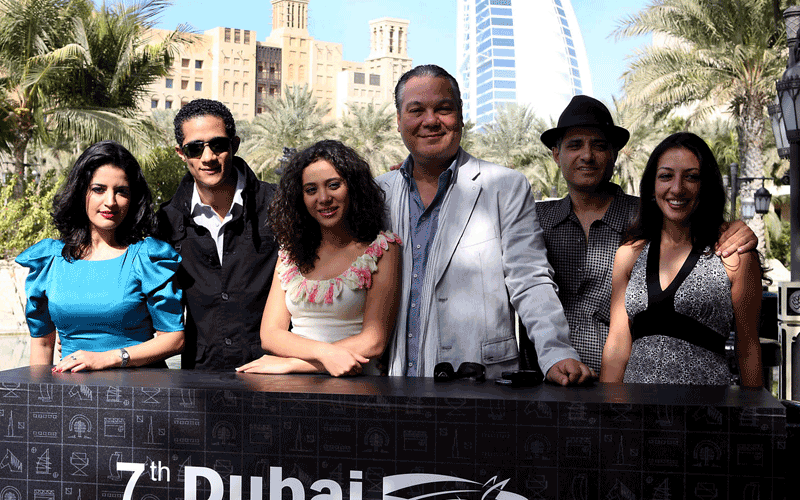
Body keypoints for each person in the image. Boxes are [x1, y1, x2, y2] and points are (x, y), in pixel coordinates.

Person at [377, 64, 593, 384]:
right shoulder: (376, 193)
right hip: (390, 382)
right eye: (416, 110)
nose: (430, 120)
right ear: (398, 121)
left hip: (478, 383)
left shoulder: (505, 186)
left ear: (461, 117)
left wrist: (556, 351)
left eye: (443, 109)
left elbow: (529, 278)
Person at [536, 96, 757, 374]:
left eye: (600, 146)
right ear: (556, 154)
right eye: (575, 145)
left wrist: (736, 231)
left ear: (615, 153)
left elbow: (695, 222)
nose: (587, 156)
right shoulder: (533, 221)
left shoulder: (650, 220)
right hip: (547, 383)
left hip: (626, 388)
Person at [600, 133, 763, 386]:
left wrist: (754, 420)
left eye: (691, 177)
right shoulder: (629, 255)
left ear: (706, 186)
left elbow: (748, 348)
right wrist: (606, 413)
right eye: (666, 176)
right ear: (652, 187)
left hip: (706, 416)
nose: (677, 188)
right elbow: (617, 346)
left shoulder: (734, 255)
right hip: (635, 414)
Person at [16, 141, 184, 372]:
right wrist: (37, 400)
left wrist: (108, 358)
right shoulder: (50, 260)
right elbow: (43, 344)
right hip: (71, 395)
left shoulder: (147, 258)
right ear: (80, 191)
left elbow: (174, 339)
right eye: (98, 189)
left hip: (141, 395)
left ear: (133, 199)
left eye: (121, 191)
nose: (110, 201)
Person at [236, 140, 400, 376]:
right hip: (294, 388)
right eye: (311, 190)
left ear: (354, 188)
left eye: (333, 185)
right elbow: (270, 335)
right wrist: (326, 355)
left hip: (360, 387)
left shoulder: (383, 249)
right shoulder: (290, 254)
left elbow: (373, 342)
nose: (323, 198)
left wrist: (294, 364)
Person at [155, 99, 279, 370]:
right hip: (201, 382)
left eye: (218, 145)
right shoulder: (166, 220)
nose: (208, 157)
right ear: (181, 153)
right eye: (195, 148)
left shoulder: (278, 207)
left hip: (273, 375)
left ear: (234, 144)